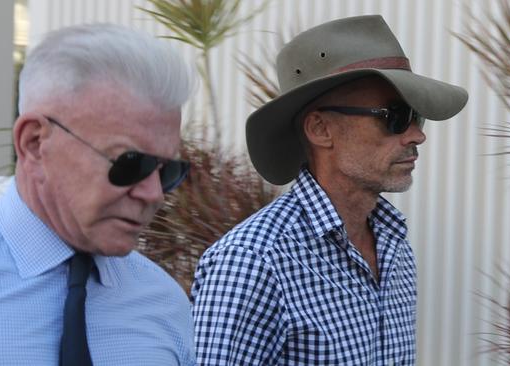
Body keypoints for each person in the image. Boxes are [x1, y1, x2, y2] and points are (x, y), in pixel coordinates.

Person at [192, 15, 468, 365]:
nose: (416, 135)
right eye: (394, 116)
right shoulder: (252, 261)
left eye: (417, 116)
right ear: (321, 129)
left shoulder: (394, 249)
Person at [0, 24, 196, 365]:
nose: (153, 194)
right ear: (34, 143)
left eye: (167, 171)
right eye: (130, 163)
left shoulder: (165, 305)